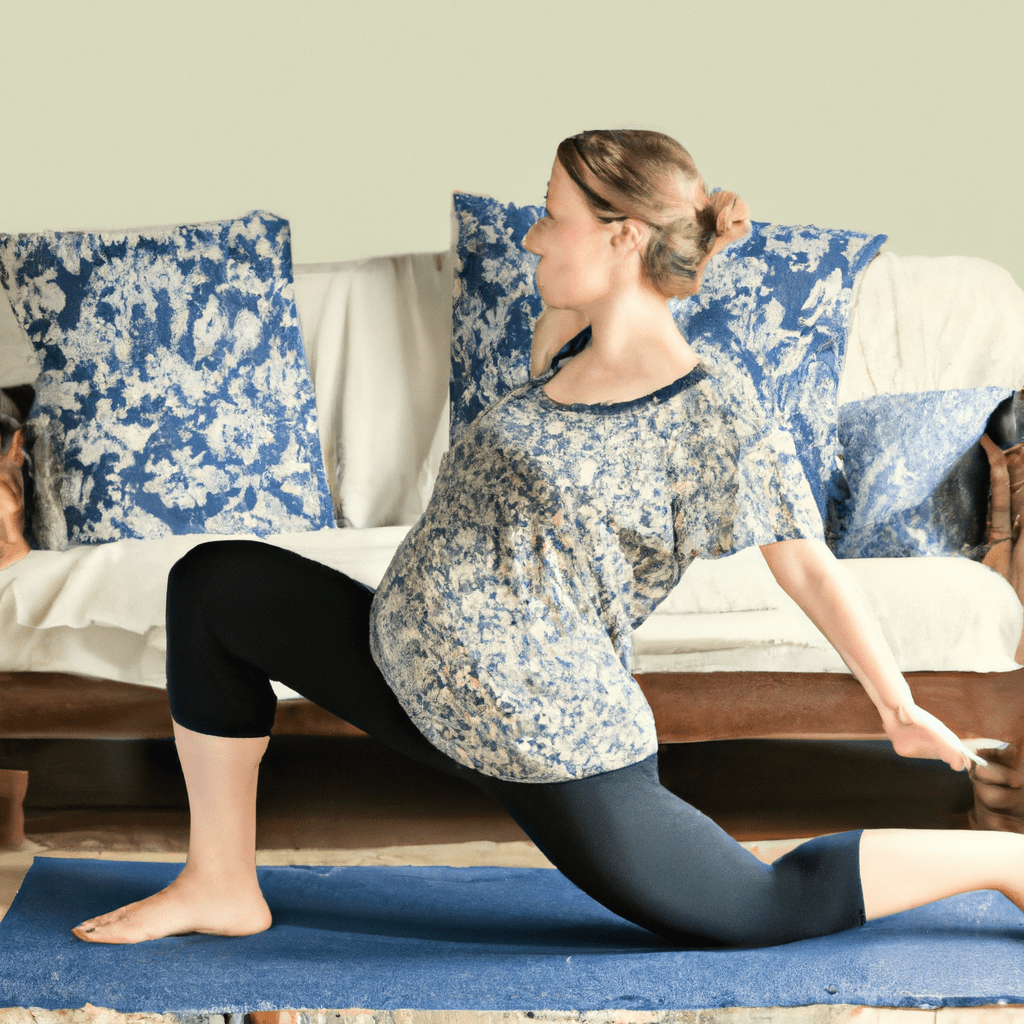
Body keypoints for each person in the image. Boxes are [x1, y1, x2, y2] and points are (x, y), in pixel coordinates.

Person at [73, 129, 1024, 948]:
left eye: (549, 213)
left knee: (756, 906)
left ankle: (1003, 862)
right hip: (411, 671)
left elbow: (807, 566)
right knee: (214, 585)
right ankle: (221, 883)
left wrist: (895, 707)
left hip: (549, 735)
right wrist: (604, 287)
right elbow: (595, 329)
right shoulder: (560, 344)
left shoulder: (716, 414)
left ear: (620, 236)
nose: (530, 234)